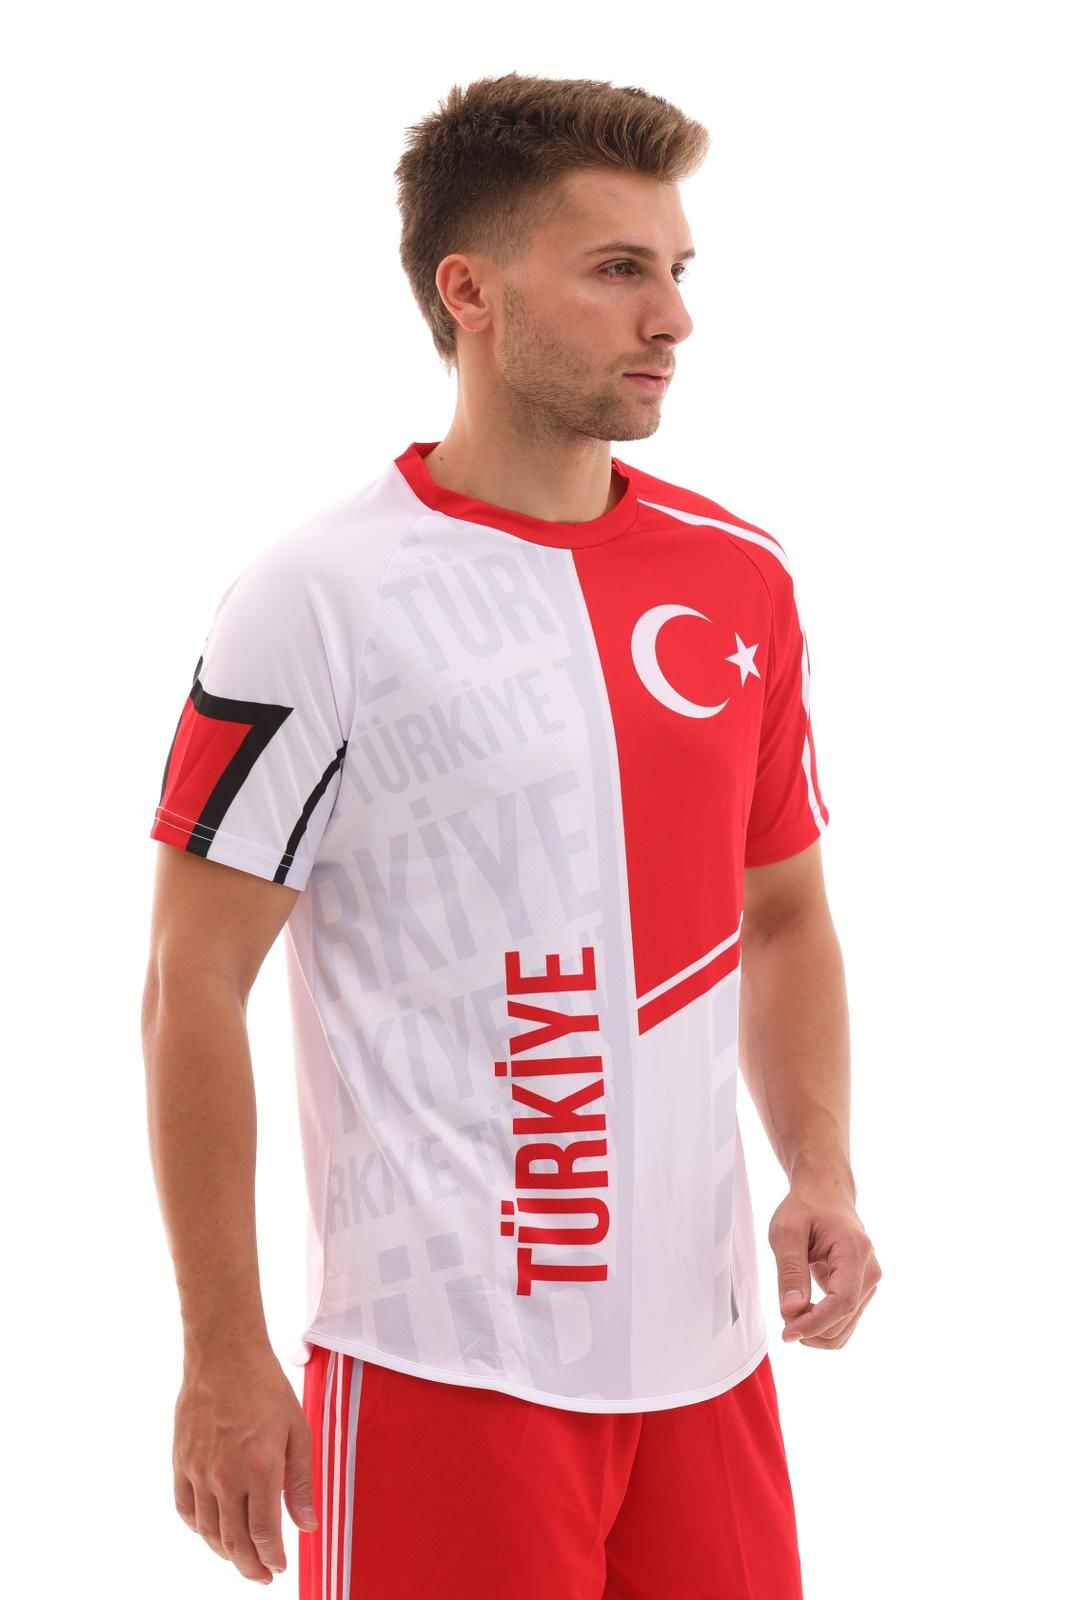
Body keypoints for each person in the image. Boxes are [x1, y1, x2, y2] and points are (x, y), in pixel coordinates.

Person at [143, 70, 881, 1599]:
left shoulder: (737, 578)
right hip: (440, 1370)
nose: (670, 317)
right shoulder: (317, 595)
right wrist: (221, 1349)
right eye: (616, 270)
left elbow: (783, 913)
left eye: (676, 270)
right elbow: (189, 981)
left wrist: (820, 1166)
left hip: (705, 1368)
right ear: (468, 292)